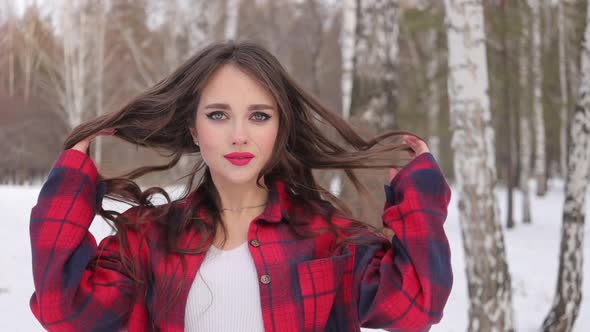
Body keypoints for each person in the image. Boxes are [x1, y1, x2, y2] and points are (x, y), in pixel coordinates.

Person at [29, 41, 452, 332]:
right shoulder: (149, 238)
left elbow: (416, 303)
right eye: (217, 115)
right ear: (194, 129)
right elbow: (64, 310)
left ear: (279, 129)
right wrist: (70, 182)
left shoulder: (327, 238)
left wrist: (420, 196)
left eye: (259, 116)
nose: (238, 135)